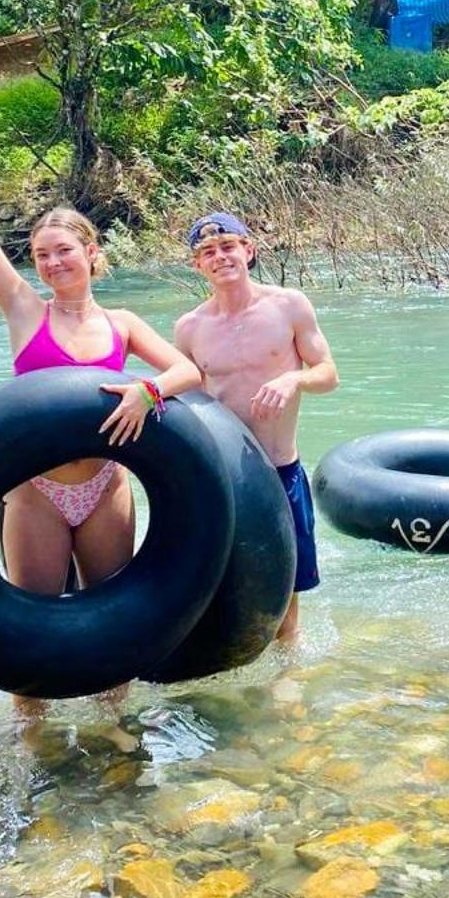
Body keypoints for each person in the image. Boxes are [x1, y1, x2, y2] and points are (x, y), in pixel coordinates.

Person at [0, 91, 202, 628]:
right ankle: (30, 719)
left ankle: (112, 717)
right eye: (41, 255)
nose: (52, 263)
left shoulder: (122, 323)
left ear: (92, 253)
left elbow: (189, 371)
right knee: (35, 632)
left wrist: (148, 392)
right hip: (36, 491)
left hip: (106, 486)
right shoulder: (25, 311)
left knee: (112, 624)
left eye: (64, 251)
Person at [173, 212, 339, 645]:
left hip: (279, 466)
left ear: (249, 250)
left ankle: (287, 669)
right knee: (222, 585)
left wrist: (293, 378)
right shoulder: (189, 328)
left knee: (289, 585)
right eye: (208, 252)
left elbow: (328, 373)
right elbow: (186, 395)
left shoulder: (289, 305)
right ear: (198, 265)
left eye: (228, 246)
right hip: (225, 476)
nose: (220, 257)